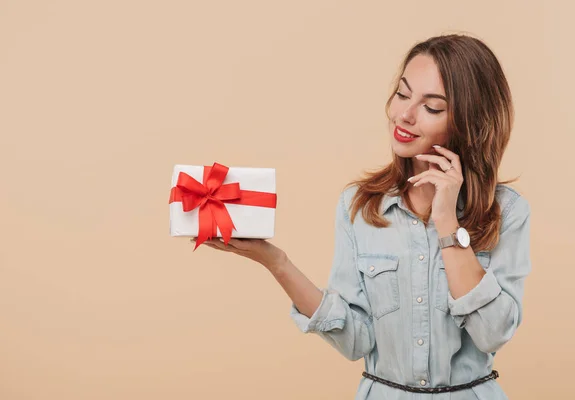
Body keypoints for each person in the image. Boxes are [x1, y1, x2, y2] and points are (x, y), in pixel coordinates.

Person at [198, 33, 531, 399]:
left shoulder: (507, 212)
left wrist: (448, 223)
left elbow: (492, 334)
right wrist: (275, 262)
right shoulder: (359, 205)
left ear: (469, 122)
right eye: (403, 94)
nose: (404, 114)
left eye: (432, 107)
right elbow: (354, 340)